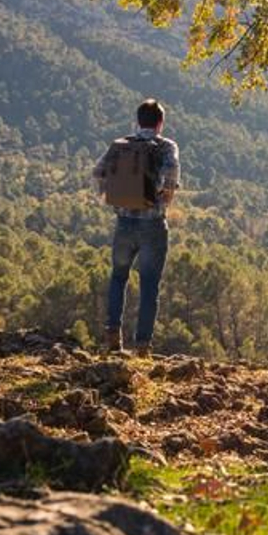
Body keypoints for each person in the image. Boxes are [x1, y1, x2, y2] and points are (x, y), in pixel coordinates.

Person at [93, 98, 180, 353]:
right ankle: (142, 345)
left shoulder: (120, 145)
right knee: (150, 285)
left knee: (118, 278)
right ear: (160, 124)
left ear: (137, 121)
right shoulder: (166, 146)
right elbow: (171, 174)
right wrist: (164, 197)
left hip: (123, 223)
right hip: (153, 225)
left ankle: (112, 337)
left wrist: (110, 197)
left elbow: (97, 173)